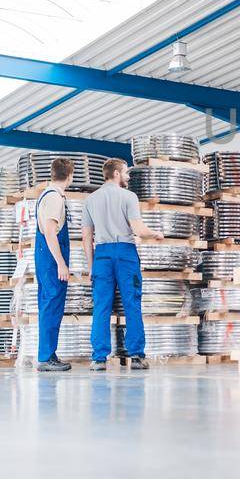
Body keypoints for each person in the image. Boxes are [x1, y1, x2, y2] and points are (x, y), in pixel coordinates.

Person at [83, 158, 156, 370]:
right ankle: (136, 356)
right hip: (125, 254)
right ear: (116, 173)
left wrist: (91, 266)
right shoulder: (129, 197)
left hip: (102, 256)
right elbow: (139, 230)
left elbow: (87, 236)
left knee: (101, 306)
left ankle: (99, 358)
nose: (128, 176)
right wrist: (156, 233)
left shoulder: (91, 200)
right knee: (131, 304)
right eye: (125, 172)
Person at [33, 157, 75, 372]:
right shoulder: (55, 198)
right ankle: (46, 357)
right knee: (51, 305)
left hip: (44, 257)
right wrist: (61, 263)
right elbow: (50, 232)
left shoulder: (46, 195)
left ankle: (49, 353)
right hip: (51, 259)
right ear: (70, 176)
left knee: (49, 305)